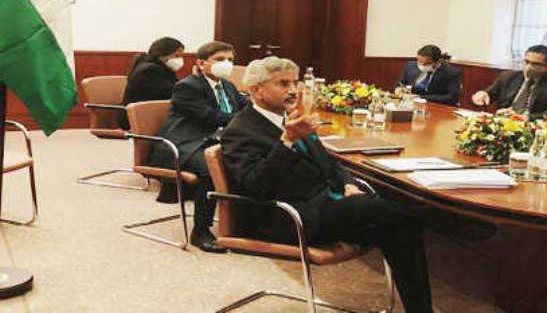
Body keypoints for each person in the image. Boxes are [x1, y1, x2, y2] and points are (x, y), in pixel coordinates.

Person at [221, 57, 433, 313]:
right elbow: (256, 185)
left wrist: (348, 184)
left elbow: (329, 163)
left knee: (400, 227)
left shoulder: (293, 118)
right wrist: (287, 141)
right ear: (257, 90)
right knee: (399, 215)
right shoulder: (240, 130)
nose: (293, 90)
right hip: (289, 216)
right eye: (283, 84)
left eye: (295, 83)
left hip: (326, 204)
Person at [150, 41, 248, 253]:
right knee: (211, 168)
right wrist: (247, 119)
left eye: (230, 60)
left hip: (214, 140)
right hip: (184, 144)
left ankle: (242, 223)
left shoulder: (228, 86)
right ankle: (200, 230)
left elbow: (245, 109)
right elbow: (213, 117)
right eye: (220, 59)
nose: (227, 64)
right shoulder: (188, 86)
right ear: (201, 63)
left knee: (250, 158)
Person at [471, 45, 547, 121]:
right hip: (503, 123)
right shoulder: (508, 76)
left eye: (536, 64)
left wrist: (524, 117)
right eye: (527, 62)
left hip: (532, 128)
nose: (529, 67)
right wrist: (481, 95)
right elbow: (489, 95)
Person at [121, 37, 184, 129]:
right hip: (138, 117)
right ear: (163, 53)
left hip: (152, 113)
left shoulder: (161, 67)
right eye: (176, 56)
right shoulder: (149, 70)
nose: (179, 59)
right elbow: (170, 92)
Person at [396, 45, 462, 106]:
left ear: (438, 61)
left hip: (436, 106)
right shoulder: (411, 66)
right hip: (410, 104)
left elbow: (452, 97)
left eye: (426, 64)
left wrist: (420, 97)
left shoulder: (451, 73)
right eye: (419, 61)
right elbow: (400, 84)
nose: (421, 65)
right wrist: (398, 89)